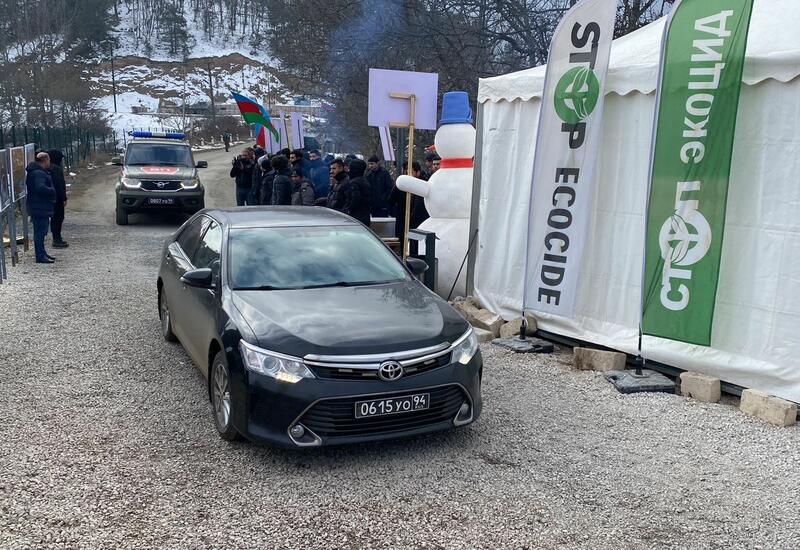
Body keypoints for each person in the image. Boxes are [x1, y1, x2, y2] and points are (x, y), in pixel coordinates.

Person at [26, 152, 56, 264]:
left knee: (39, 232)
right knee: (41, 232)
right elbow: (40, 187)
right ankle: (40, 255)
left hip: (37, 206)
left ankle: (42, 253)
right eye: (49, 161)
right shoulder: (39, 173)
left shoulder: (34, 172)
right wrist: (52, 191)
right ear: (45, 160)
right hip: (40, 207)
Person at [388, 161, 429, 241]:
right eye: (407, 172)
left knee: (415, 244)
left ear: (418, 173)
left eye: (411, 172)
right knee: (403, 242)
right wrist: (398, 212)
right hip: (403, 222)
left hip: (418, 224)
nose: (408, 175)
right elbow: (391, 200)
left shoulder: (424, 185)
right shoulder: (401, 185)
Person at [47, 149, 68, 248]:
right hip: (57, 198)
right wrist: (63, 198)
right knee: (58, 218)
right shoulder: (55, 169)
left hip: (53, 197)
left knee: (56, 218)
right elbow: (58, 185)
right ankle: (57, 239)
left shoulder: (50, 167)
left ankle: (57, 237)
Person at [347, 159, 372, 226]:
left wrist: (349, 210)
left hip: (356, 217)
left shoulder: (354, 183)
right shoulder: (365, 181)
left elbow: (355, 199)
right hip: (365, 216)